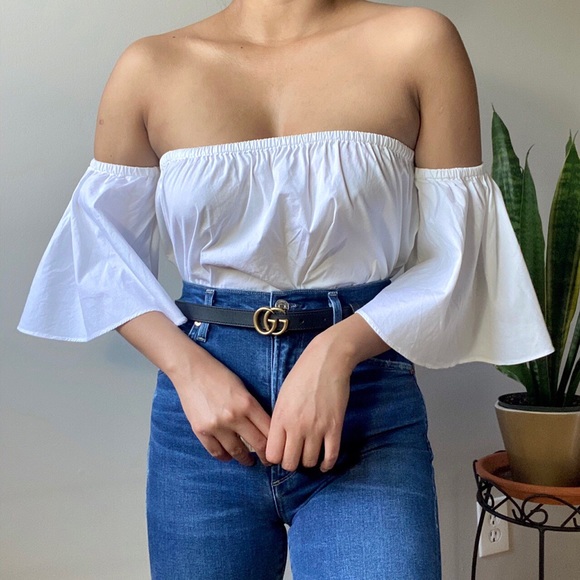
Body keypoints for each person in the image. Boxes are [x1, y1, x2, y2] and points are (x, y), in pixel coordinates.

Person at [19, 1, 553, 578]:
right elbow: (101, 255)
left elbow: (458, 253)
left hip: (366, 407)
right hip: (206, 419)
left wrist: (336, 350)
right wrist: (188, 371)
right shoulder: (150, 66)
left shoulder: (418, 42)